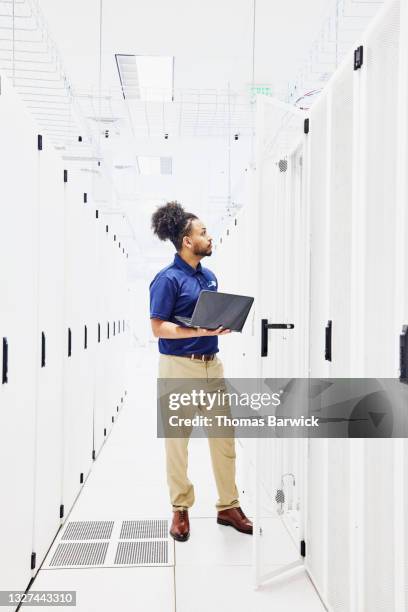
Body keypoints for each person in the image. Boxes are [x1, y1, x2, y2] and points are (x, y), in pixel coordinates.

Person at [149, 201, 253, 542]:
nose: (210, 237)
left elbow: (208, 317)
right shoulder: (167, 279)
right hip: (178, 367)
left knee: (224, 438)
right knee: (178, 443)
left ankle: (228, 506)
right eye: (203, 233)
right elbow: (159, 328)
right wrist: (199, 332)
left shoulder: (209, 276)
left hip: (212, 365)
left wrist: (221, 324)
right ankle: (180, 509)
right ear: (186, 241)